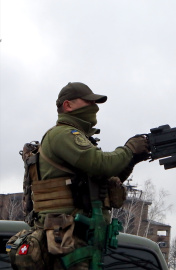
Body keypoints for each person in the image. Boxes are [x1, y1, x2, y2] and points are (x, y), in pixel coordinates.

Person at [20, 82, 149, 269]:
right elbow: (101, 164)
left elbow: (101, 182)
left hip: (79, 237)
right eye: (88, 102)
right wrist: (129, 150)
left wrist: (132, 159)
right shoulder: (62, 134)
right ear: (68, 105)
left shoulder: (79, 138)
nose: (94, 107)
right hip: (66, 239)